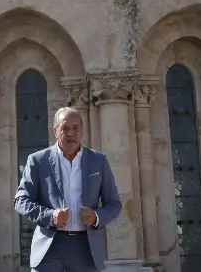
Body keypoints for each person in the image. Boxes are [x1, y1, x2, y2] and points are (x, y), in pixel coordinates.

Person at [14, 107, 122, 272]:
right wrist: (50, 216)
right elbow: (21, 201)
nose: (71, 133)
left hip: (85, 248)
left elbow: (114, 204)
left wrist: (95, 216)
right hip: (49, 246)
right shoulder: (37, 161)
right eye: (65, 128)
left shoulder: (98, 160)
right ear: (55, 131)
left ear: (82, 130)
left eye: (75, 128)